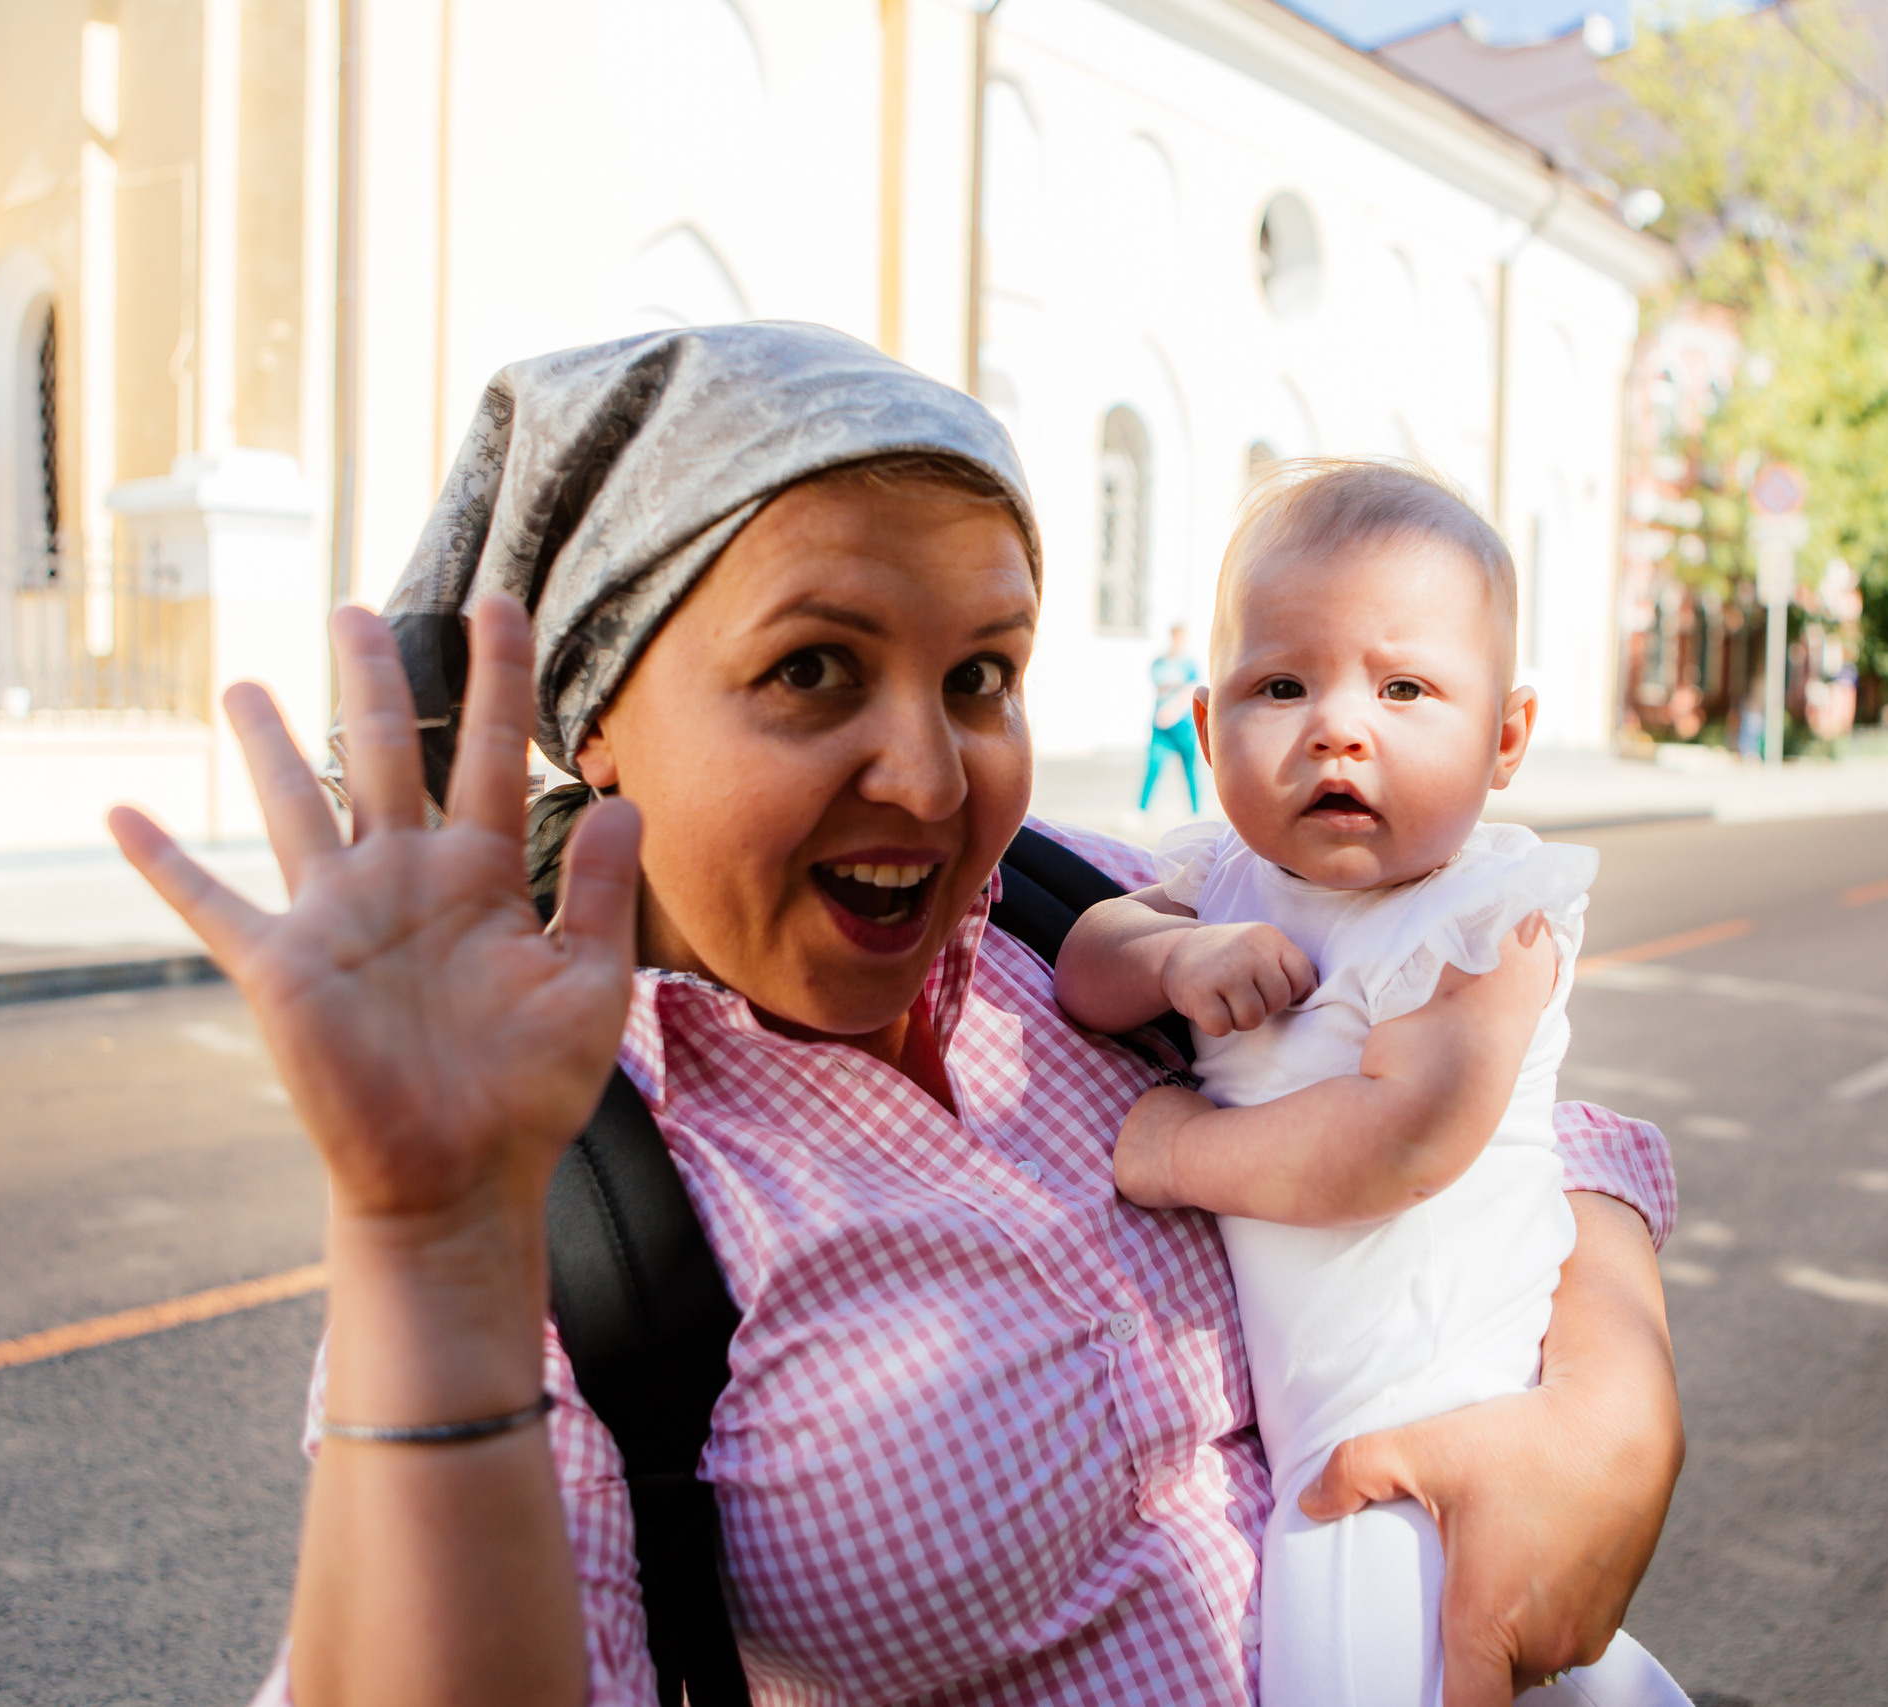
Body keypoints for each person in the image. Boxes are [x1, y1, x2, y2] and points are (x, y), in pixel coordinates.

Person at [108, 323, 1685, 1707]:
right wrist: (425, 1249)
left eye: (981, 675)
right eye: (812, 667)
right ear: (598, 723)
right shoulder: (560, 1208)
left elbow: (1526, 1107)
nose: (929, 781)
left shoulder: (1094, 906)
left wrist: (1613, 1397)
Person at [1058, 462, 1688, 1706]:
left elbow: (1405, 1137)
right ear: (1202, 723)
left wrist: (1174, 1151)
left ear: (1505, 738)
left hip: (1435, 1419)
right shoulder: (1214, 882)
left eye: (1404, 689)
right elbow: (1083, 967)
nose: (1337, 727)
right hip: (1327, 1436)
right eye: (1279, 685)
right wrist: (1174, 957)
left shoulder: (1483, 919)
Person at [1143, 621, 1204, 813]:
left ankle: (1196, 811)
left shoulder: (1189, 664)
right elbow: (1159, 689)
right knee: (1153, 767)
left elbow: (1189, 692)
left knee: (1190, 771)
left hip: (1183, 726)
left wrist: (1171, 713)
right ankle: (1141, 809)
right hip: (1161, 727)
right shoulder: (1159, 663)